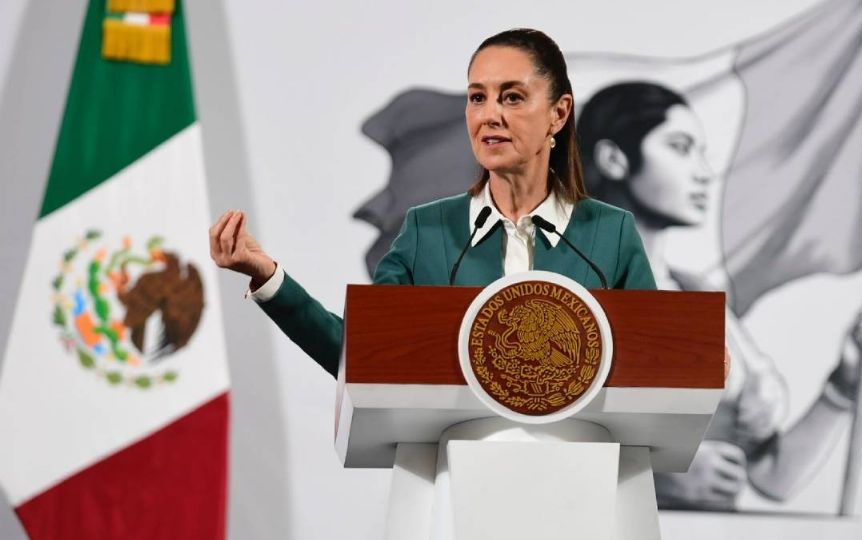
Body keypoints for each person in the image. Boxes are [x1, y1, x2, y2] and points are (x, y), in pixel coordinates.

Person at [208, 29, 658, 379]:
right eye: (477, 97)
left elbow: (658, 364)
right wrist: (268, 278)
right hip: (457, 483)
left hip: (581, 483)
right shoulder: (427, 231)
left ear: (558, 113)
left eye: (513, 97)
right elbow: (357, 355)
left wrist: (704, 365)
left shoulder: (610, 233)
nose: (489, 115)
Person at [579, 81, 862, 509]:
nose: (704, 171)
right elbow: (508, 456)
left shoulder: (701, 301)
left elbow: (771, 477)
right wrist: (652, 478)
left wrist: (844, 384)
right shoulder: (556, 295)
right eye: (680, 147)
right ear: (614, 158)